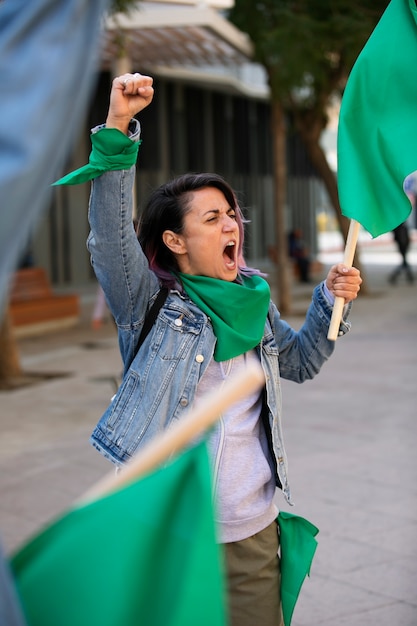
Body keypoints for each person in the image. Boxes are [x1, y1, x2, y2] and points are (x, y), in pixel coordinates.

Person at [55, 73, 362, 626]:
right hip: (169, 531)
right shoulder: (146, 300)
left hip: (250, 531)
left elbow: (302, 361)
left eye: (232, 214)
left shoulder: (254, 300)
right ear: (175, 240)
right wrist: (119, 124)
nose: (232, 225)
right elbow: (108, 234)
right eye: (212, 217)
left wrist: (329, 300)